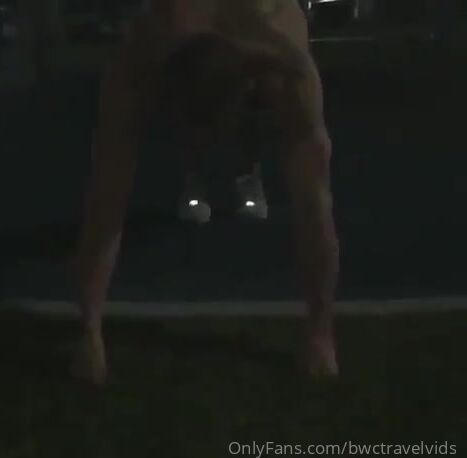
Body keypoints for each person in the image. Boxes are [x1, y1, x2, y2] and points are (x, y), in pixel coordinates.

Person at [71, 0, 340, 385]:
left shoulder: (288, 66)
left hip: (259, 48)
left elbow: (315, 203)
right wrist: (89, 332)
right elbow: (105, 201)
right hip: (188, 50)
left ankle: (245, 166)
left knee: (305, 163)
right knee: (118, 155)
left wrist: (321, 334)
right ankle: (197, 167)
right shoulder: (140, 58)